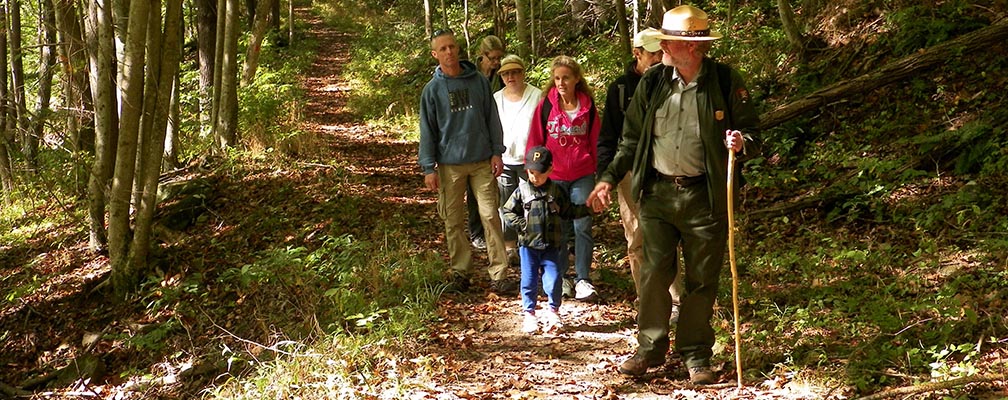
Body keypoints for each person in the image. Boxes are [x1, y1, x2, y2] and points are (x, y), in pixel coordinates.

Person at [588, 5, 759, 384]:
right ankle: (649, 349)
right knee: (653, 274)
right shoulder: (653, 82)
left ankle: (696, 354)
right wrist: (607, 178)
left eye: (670, 40)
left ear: (693, 47)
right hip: (658, 195)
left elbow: (753, 132)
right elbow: (630, 139)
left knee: (701, 279)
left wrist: (739, 141)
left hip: (706, 196)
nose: (662, 45)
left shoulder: (726, 81)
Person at [418, 29, 514, 294]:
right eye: (443, 49)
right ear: (435, 54)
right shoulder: (432, 90)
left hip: (482, 159)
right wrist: (429, 167)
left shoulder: (478, 82)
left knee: (490, 216)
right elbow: (427, 130)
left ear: (458, 49)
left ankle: (499, 274)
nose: (449, 52)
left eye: (452, 47)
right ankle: (461, 272)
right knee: (453, 220)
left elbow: (491, 118)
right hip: (450, 165)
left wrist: (497, 151)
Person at [598, 28, 684, 320]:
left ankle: (675, 300)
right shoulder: (620, 89)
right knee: (636, 237)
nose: (659, 58)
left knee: (667, 233)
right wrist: (606, 177)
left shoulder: (673, 82)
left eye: (662, 51)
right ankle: (646, 299)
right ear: (637, 54)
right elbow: (608, 135)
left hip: (663, 169)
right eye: (653, 53)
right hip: (629, 172)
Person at [527, 55, 601, 301]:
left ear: (576, 79)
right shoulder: (545, 106)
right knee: (558, 228)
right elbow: (536, 139)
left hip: (582, 174)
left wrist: (600, 173)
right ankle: (562, 277)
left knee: (582, 225)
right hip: (555, 175)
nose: (561, 83)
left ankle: (583, 279)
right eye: (557, 78)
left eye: (566, 78)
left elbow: (596, 141)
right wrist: (535, 170)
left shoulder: (587, 106)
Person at [501, 146, 593, 334]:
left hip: (552, 245)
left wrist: (589, 209)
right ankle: (530, 314)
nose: (534, 177)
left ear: (550, 170)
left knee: (553, 280)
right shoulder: (522, 191)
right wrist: (522, 224)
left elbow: (569, 211)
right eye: (531, 172)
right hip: (528, 246)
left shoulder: (556, 191)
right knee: (529, 280)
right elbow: (507, 211)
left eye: (539, 173)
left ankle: (554, 311)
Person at [494, 54, 543, 266]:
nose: (510, 76)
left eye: (514, 72)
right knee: (505, 205)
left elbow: (543, 126)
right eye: (506, 73)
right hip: (504, 160)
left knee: (531, 203)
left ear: (523, 73)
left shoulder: (537, 96)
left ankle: (531, 245)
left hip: (529, 160)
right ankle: (510, 246)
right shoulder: (495, 99)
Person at [467, 35, 507, 251]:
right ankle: (476, 232)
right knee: (472, 189)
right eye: (492, 58)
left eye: (499, 58)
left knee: (492, 187)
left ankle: (498, 229)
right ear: (482, 56)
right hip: (473, 134)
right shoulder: (470, 73)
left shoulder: (499, 76)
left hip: (494, 131)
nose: (496, 62)